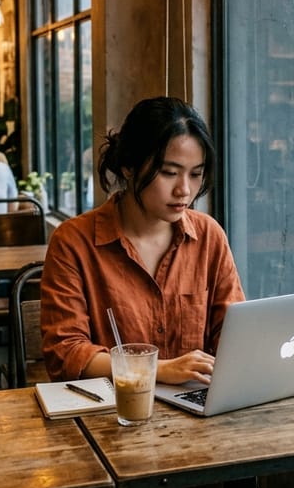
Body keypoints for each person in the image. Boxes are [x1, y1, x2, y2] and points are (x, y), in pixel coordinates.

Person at [41, 97, 244, 384]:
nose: (184, 190)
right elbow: (65, 353)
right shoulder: (74, 242)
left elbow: (233, 333)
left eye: (196, 174)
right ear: (129, 167)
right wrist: (158, 370)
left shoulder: (208, 236)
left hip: (196, 407)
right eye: (169, 173)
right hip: (113, 412)